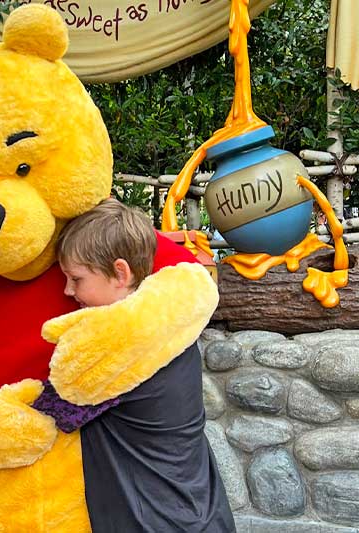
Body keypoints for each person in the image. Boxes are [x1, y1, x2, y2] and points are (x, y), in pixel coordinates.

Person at [32, 198, 235, 533]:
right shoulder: (169, 318)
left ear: (120, 272)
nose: (67, 290)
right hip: (201, 509)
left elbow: (52, 413)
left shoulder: (115, 344)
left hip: (149, 521)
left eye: (76, 278)